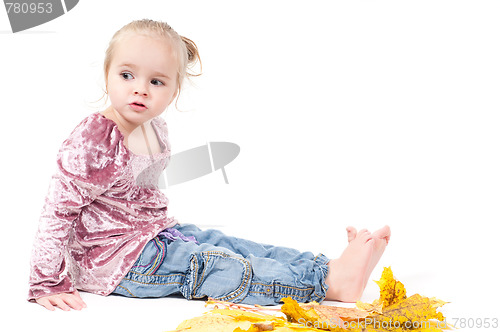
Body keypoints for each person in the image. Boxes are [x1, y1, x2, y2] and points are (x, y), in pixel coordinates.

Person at [28, 19, 391, 311]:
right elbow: (56, 212)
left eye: (156, 81)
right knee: (212, 264)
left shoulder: (155, 126)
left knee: (227, 242)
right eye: (127, 75)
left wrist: (163, 234)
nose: (140, 89)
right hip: (114, 261)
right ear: (106, 75)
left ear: (174, 91)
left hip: (154, 234)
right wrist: (46, 281)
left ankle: (328, 268)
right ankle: (328, 285)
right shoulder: (96, 137)